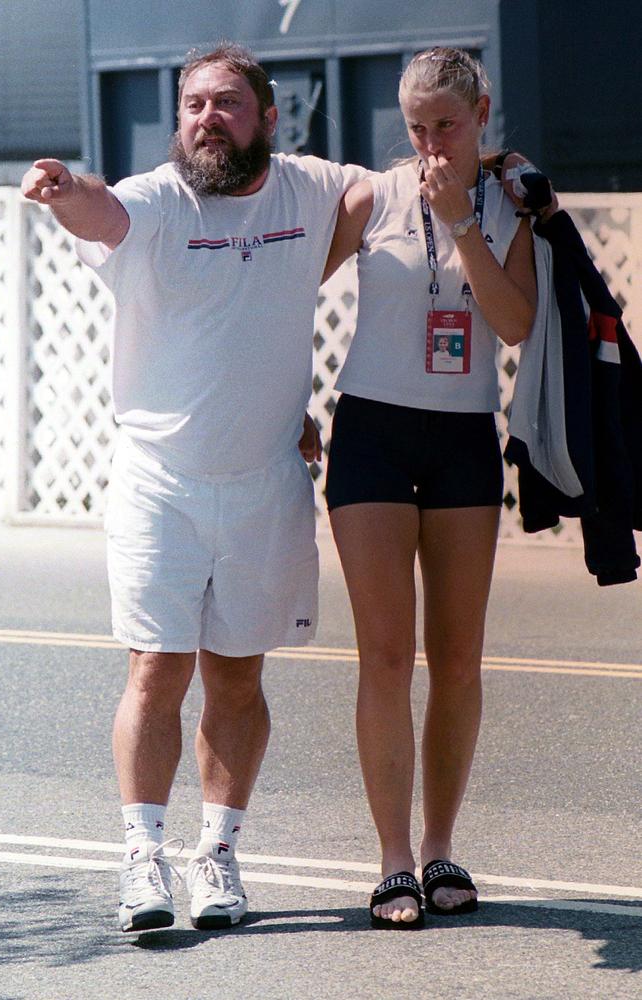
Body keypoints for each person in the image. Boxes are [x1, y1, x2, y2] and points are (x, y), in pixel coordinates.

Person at [21, 42, 365, 933]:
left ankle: (217, 854)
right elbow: (101, 211)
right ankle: (143, 860)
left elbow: (378, 195)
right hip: (159, 483)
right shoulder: (158, 201)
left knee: (238, 678)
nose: (207, 119)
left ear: (268, 116)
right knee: (157, 670)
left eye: (226, 104)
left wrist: (473, 159)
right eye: (192, 106)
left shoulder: (307, 186)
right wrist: (65, 188)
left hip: (266, 485)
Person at [323, 47, 537, 927]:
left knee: (457, 659)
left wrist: (462, 224)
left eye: (446, 123)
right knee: (384, 655)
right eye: (416, 127)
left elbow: (515, 323)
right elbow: (283, 294)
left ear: (482, 111)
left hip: (462, 440)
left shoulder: (512, 202)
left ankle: (443, 844)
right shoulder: (372, 197)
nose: (431, 142)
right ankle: (393, 860)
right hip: (371, 430)